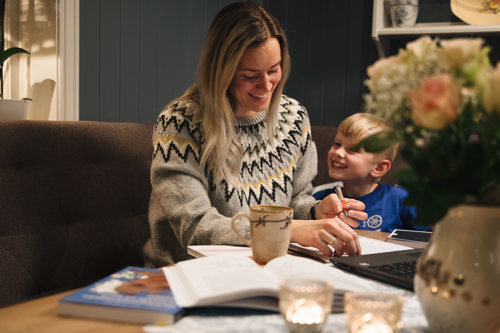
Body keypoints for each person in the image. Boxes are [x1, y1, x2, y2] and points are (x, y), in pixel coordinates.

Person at [143, 1, 368, 267]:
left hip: (271, 266)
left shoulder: (294, 117)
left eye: (274, 70)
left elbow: (297, 199)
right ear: (222, 72)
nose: (266, 85)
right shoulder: (180, 123)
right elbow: (195, 227)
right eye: (250, 76)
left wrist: (316, 210)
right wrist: (286, 229)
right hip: (189, 272)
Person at [313, 112, 429, 232]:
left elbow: (425, 240)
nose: (338, 152)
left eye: (353, 149)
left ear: (379, 168)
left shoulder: (402, 199)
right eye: (337, 144)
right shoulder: (320, 200)